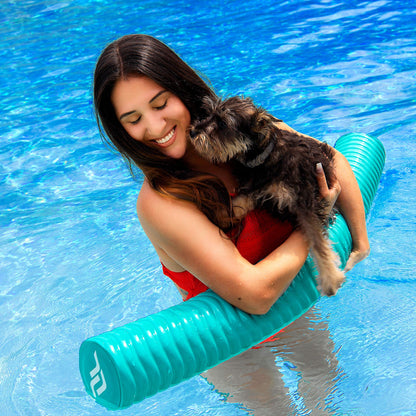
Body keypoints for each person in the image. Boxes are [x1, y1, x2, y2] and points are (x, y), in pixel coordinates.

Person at [94, 34, 369, 315]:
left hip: (295, 306)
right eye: (134, 119)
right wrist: (315, 214)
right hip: (234, 347)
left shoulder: (243, 133)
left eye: (160, 104)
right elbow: (256, 296)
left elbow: (328, 158)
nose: (155, 127)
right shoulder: (160, 202)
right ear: (121, 130)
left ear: (181, 89)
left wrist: (360, 242)